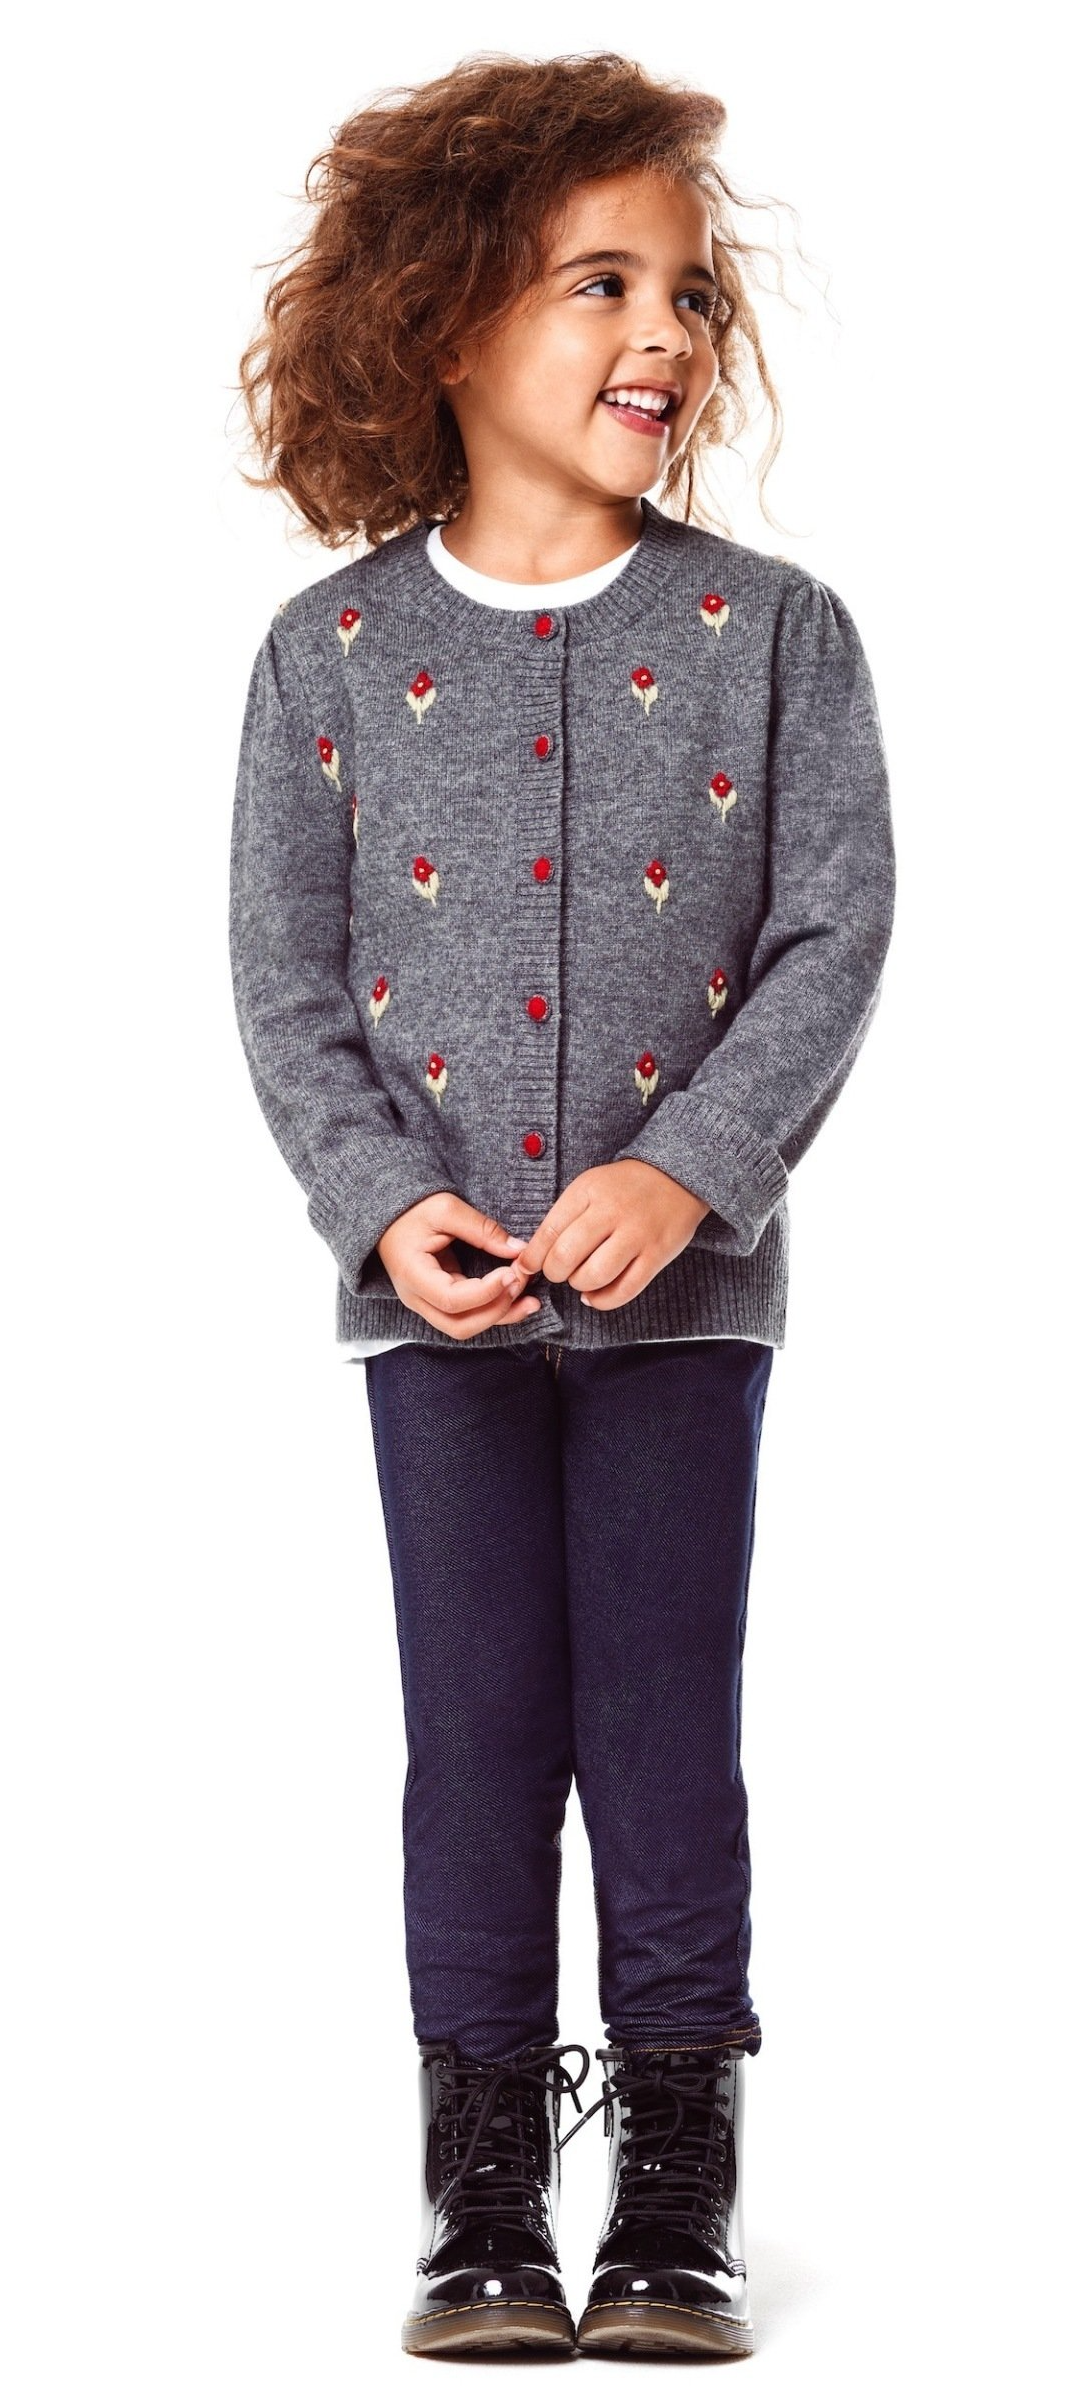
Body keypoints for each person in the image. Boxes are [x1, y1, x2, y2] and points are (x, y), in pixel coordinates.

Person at [229, 49, 896, 2361]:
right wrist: (379, 1208)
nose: (664, 334)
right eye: (600, 282)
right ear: (441, 320)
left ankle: (681, 2194)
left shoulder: (778, 636)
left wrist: (684, 1171)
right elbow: (284, 981)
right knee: (479, 1743)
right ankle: (486, 2192)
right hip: (440, 1320)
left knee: (666, 1736)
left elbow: (833, 933)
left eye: (688, 293)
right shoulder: (325, 660)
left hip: (689, 1316)